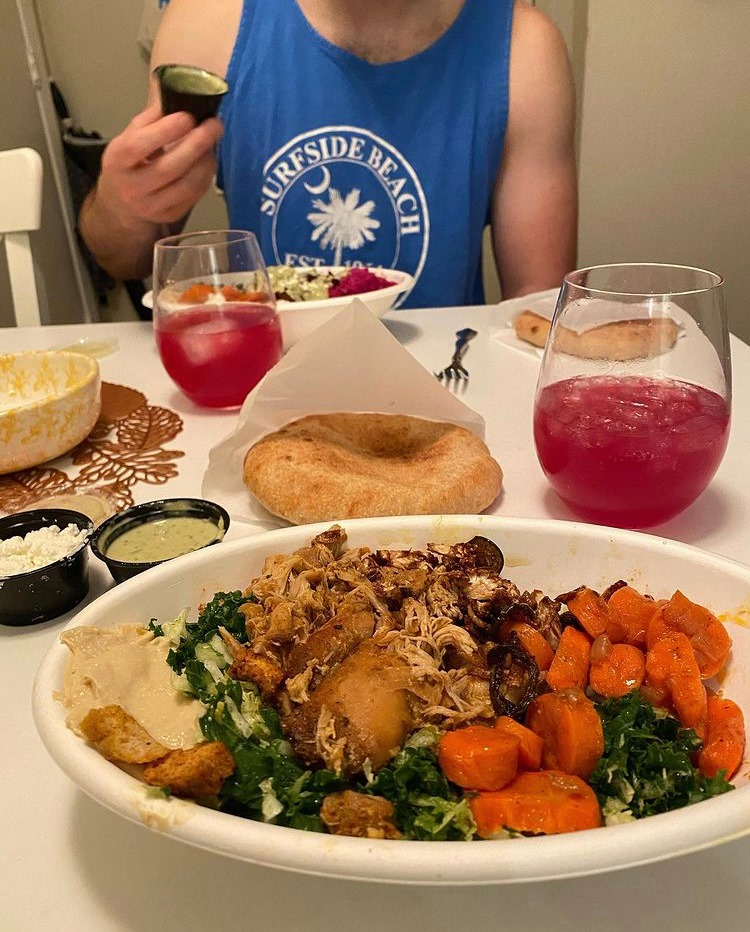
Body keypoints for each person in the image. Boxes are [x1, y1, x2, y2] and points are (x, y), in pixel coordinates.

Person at [80, 0, 577, 308]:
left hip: (445, 386)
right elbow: (124, 259)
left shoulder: (524, 48)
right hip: (260, 385)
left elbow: (535, 311)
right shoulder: (206, 21)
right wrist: (123, 206)